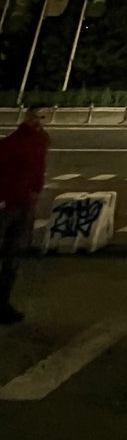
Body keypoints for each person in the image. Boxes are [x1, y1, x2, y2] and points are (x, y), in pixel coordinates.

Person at [0, 102, 51, 324]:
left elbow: (38, 169)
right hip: (6, 204)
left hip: (26, 203)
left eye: (42, 117)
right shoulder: (11, 143)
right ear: (25, 116)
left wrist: (36, 191)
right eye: (34, 117)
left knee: (14, 255)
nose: (37, 122)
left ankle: (3, 302)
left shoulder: (42, 140)